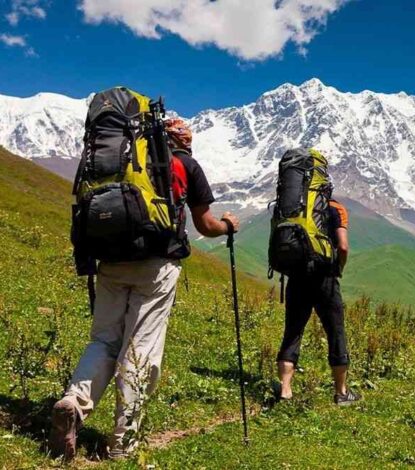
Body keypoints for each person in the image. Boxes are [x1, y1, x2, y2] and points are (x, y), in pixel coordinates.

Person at [49, 118, 240, 461]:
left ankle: (73, 403)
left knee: (104, 340)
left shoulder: (120, 163)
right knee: (140, 350)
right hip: (156, 265)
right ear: (184, 140)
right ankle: (123, 442)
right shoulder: (184, 164)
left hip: (110, 261)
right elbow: (205, 224)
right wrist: (227, 226)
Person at [275, 196, 361, 405]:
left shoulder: (292, 205)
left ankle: (285, 390)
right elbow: (343, 247)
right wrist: (338, 268)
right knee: (335, 332)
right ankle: (341, 392)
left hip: (296, 277)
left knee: (293, 332)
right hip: (325, 278)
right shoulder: (335, 208)